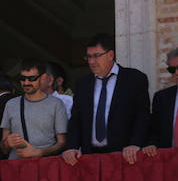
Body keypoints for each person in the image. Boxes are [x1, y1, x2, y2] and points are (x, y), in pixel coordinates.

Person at [63, 34, 150, 166]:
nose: (91, 61)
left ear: (110, 55)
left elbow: (142, 115)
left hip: (125, 156)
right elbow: (76, 119)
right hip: (89, 157)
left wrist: (135, 143)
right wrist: (71, 147)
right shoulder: (83, 84)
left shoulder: (134, 79)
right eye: (89, 57)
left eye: (96, 56)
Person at [0, 59, 68, 159]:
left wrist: (39, 152)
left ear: (43, 77)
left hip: (46, 167)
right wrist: (7, 143)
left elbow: (62, 143)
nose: (26, 82)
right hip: (17, 167)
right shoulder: (11, 105)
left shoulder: (56, 104)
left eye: (32, 78)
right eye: (22, 78)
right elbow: (4, 148)